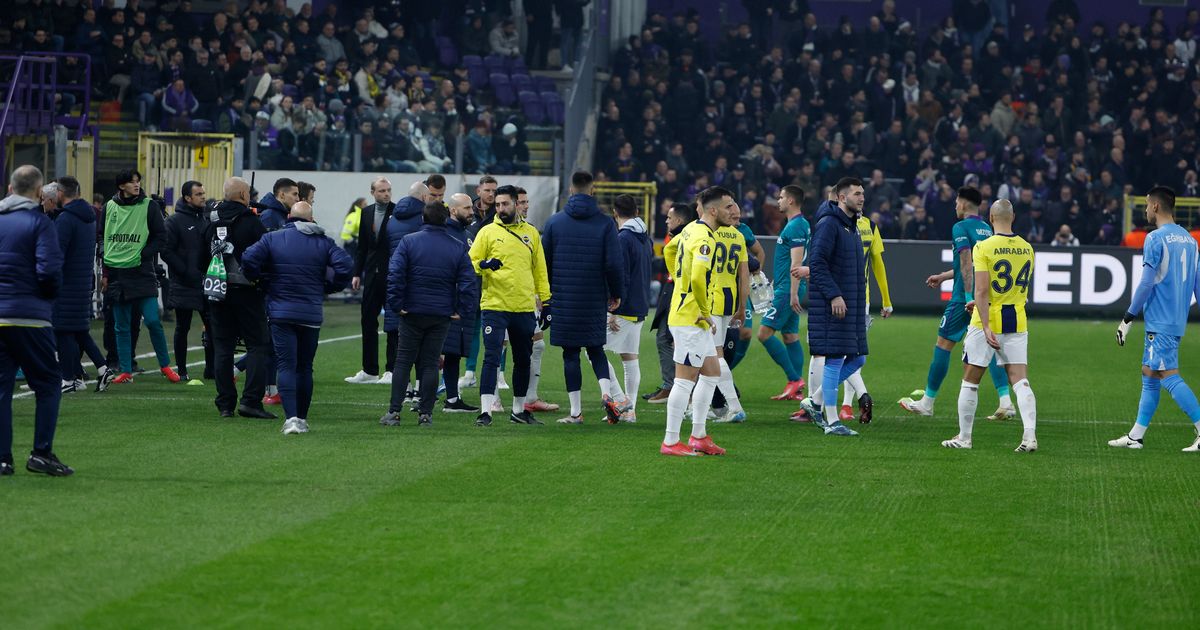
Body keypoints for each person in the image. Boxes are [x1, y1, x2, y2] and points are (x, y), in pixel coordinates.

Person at [900, 186, 1013, 419]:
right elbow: (977, 266)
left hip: (964, 298)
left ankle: (927, 403)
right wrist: (943, 276)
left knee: (943, 345)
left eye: (956, 202)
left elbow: (966, 260)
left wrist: (969, 297)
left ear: (962, 203)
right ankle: (1005, 402)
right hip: (988, 298)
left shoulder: (960, 227)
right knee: (991, 347)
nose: (955, 206)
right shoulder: (988, 230)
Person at [242, 201, 353, 435]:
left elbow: (249, 259)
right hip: (310, 313)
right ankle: (302, 418)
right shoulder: (323, 242)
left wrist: (261, 280)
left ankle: (291, 418)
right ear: (311, 219)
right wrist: (329, 287)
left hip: (280, 311)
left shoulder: (273, 238)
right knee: (305, 367)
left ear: (289, 217)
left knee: (286, 365)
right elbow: (345, 265)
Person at [943, 199, 1039, 452]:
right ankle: (1030, 436)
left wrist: (985, 325)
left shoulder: (984, 247)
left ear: (991, 218)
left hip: (987, 320)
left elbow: (983, 290)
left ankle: (964, 438)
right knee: (1020, 381)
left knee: (970, 380)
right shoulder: (1027, 247)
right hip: (1017, 319)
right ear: (1013, 217)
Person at [1110, 186, 1200, 452]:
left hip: (1160, 320)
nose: (1146, 210)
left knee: (1167, 375)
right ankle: (1136, 436)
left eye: (1148, 205)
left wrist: (1127, 318)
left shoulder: (1155, 239)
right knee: (1149, 373)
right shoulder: (1190, 240)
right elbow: (1198, 285)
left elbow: (1146, 283)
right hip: (1175, 320)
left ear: (1157, 207)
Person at [0, 165, 71, 476]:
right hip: (30, 316)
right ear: (40, 192)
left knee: (1, 389)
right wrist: (47, 298)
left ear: (11, 188)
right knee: (48, 383)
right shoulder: (40, 223)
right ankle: (41, 453)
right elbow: (49, 272)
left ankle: (3, 459)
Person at [381, 201, 477, 427]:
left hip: (412, 311)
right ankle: (425, 414)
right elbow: (467, 282)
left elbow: (395, 275)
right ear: (445, 219)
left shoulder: (409, 242)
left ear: (423, 219)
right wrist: (461, 309)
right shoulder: (456, 246)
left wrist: (396, 305)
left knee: (403, 361)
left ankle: (394, 412)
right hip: (441, 313)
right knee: (431, 363)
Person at [541, 171, 626, 424]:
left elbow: (544, 262)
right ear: (593, 190)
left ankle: (576, 412)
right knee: (596, 349)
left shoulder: (555, 222)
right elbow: (613, 263)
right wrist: (616, 293)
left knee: (570, 354)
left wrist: (546, 296)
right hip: (593, 296)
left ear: (570, 189)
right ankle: (606, 394)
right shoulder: (605, 223)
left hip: (564, 297)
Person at [468, 184, 551, 426]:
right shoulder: (487, 232)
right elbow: (470, 261)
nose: (501, 208)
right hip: (494, 305)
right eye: (497, 205)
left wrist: (546, 302)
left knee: (523, 358)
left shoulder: (531, 234)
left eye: (505, 204)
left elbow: (540, 270)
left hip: (524, 307)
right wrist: (484, 264)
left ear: (516, 203)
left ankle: (518, 410)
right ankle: (486, 412)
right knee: (492, 356)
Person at [659, 187, 734, 456]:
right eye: (727, 207)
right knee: (684, 380)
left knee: (712, 372)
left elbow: (669, 250)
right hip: (692, 317)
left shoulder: (690, 229)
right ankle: (670, 441)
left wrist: (678, 280)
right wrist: (703, 308)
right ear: (713, 210)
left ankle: (699, 436)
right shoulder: (705, 238)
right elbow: (700, 275)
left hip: (691, 315)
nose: (732, 211)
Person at [796, 178, 867, 437]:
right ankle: (832, 420)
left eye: (862, 194)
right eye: (856, 194)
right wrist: (835, 295)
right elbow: (817, 263)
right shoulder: (829, 224)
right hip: (835, 304)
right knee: (836, 358)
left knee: (858, 357)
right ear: (840, 196)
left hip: (851, 304)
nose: (861, 198)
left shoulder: (851, 226)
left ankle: (814, 401)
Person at [201, 177, 274, 419]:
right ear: (244, 195)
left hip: (216, 291)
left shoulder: (210, 220)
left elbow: (200, 256)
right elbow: (265, 254)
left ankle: (224, 404)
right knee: (258, 345)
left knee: (222, 348)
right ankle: (251, 401)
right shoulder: (252, 222)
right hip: (246, 290)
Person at [100, 169, 178, 386]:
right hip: (117, 273)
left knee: (153, 321)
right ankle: (125, 370)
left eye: (138, 181)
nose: (136, 185)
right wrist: (105, 271)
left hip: (142, 272)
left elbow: (161, 237)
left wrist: (142, 255)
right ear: (121, 186)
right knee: (121, 325)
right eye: (131, 182)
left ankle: (165, 365)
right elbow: (102, 237)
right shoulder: (109, 207)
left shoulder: (149, 206)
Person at [837, 198, 895, 423]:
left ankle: (824, 402)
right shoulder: (870, 226)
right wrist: (887, 300)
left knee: (831, 354)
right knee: (855, 353)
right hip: (863, 300)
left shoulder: (833, 224)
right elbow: (878, 264)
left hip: (838, 298)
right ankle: (847, 406)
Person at [50, 176, 108, 393]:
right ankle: (100, 369)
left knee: (63, 331)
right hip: (82, 281)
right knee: (79, 330)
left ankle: (68, 379)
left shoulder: (66, 219)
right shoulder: (88, 217)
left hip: (66, 283)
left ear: (60, 193)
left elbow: (57, 254)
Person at [601, 194, 653, 422]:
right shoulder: (645, 238)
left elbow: (619, 275)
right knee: (629, 358)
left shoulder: (623, 239)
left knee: (592, 350)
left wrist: (612, 309)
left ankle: (621, 400)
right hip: (640, 305)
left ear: (615, 213)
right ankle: (630, 411)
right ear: (637, 212)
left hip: (624, 307)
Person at [757, 185, 809, 402]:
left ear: (790, 201)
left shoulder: (795, 226)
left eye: (781, 197)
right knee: (790, 336)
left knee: (764, 334)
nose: (777, 201)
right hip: (787, 287)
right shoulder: (798, 224)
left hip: (788, 289)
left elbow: (796, 263)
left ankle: (794, 379)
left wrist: (792, 293)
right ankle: (796, 389)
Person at [345, 178, 397, 385]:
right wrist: (356, 273)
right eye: (382, 190)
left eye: (389, 190)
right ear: (373, 192)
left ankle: (391, 370)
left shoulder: (397, 212)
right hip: (371, 274)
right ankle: (369, 370)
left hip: (391, 274)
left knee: (392, 324)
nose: (386, 194)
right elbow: (362, 247)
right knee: (367, 320)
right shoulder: (366, 213)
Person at [644, 203, 696, 404]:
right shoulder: (679, 237)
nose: (666, 221)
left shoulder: (685, 238)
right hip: (673, 291)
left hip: (680, 294)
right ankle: (676, 386)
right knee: (669, 339)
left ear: (679, 221)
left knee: (670, 339)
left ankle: (674, 387)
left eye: (669, 217)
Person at [162, 180, 213, 382]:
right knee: (182, 327)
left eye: (203, 193)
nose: (203, 196)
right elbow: (166, 250)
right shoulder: (174, 221)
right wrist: (184, 271)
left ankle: (211, 369)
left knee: (212, 326)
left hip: (206, 282)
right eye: (198, 194)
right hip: (184, 282)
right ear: (187, 198)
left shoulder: (207, 219)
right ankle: (182, 370)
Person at [516, 186, 560, 414]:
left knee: (538, 344)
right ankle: (492, 398)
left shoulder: (531, 231)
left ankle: (531, 397)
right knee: (500, 348)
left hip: (528, 298)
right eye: (521, 202)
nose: (526, 206)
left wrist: (542, 296)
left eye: (526, 202)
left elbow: (538, 268)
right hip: (501, 300)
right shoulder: (492, 230)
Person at [440, 193, 483, 414]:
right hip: (446, 302)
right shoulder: (445, 233)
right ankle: (419, 395)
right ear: (453, 210)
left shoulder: (467, 234)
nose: (471, 211)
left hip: (463, 302)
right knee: (434, 352)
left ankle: (452, 399)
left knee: (454, 352)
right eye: (466, 208)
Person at [459, 175, 498, 390]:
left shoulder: (500, 216)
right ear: (478, 191)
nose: (491, 194)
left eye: (494, 190)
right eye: (488, 190)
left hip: (495, 281)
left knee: (497, 330)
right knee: (472, 328)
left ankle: (499, 374)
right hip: (471, 281)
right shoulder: (467, 215)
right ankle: (470, 371)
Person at [340, 197, 364, 261]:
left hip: (360, 245)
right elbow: (345, 234)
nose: (367, 206)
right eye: (364, 204)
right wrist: (353, 243)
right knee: (352, 265)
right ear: (359, 205)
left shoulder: (362, 215)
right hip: (352, 246)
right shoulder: (353, 216)